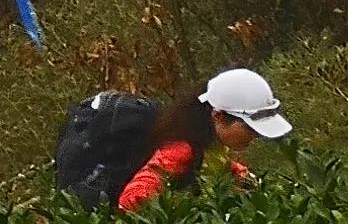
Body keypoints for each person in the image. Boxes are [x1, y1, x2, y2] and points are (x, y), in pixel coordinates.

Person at [117, 66, 291, 211]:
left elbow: (216, 162)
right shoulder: (180, 151)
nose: (255, 135)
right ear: (219, 116)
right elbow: (130, 199)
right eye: (250, 128)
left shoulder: (212, 144)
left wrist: (239, 175)